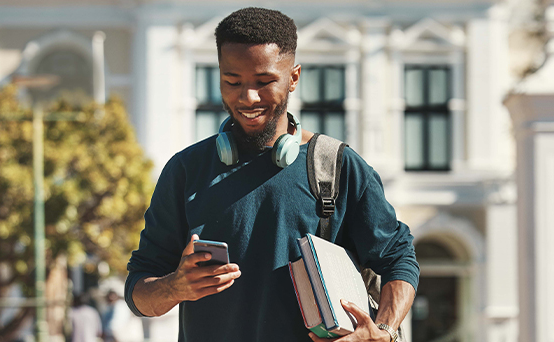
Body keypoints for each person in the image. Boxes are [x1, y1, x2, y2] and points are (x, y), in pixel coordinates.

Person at [125, 7, 420, 342]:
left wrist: (382, 331)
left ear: (293, 77)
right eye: (231, 82)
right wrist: (174, 287)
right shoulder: (185, 170)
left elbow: (399, 258)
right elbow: (139, 290)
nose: (248, 97)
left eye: (264, 82)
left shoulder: (338, 166)